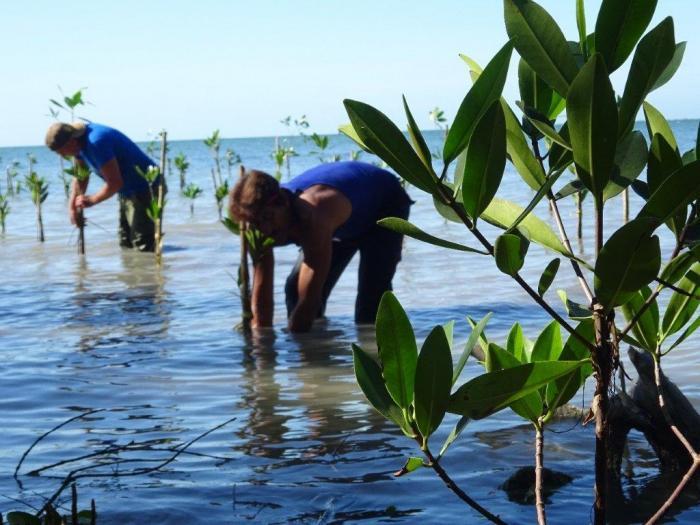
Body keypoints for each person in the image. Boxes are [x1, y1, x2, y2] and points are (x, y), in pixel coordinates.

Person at [229, 160, 412, 333]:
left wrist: (295, 343)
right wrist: (262, 350)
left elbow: (309, 301)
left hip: (385, 203)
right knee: (294, 289)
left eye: (268, 218)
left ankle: (376, 356)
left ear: (283, 202)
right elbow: (262, 303)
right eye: (257, 223)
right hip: (344, 216)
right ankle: (319, 349)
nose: (266, 229)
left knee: (371, 301)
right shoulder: (259, 226)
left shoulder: (314, 215)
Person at [45, 121, 160, 252]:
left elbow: (115, 183)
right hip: (126, 190)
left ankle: (152, 270)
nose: (63, 156)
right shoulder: (77, 144)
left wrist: (92, 200)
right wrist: (72, 207)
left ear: (71, 141)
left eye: (62, 152)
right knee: (125, 241)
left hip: (146, 186)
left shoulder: (96, 142)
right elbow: (81, 176)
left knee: (143, 244)